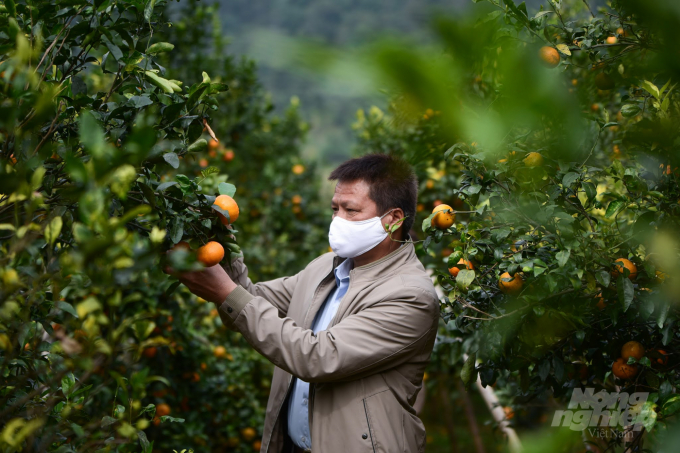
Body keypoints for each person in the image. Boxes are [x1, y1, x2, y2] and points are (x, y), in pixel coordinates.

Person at [168, 154, 439, 453]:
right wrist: (219, 241)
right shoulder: (326, 267)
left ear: (393, 219)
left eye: (351, 210)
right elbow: (250, 299)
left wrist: (223, 292)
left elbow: (317, 357)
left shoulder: (410, 296)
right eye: (335, 209)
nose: (338, 220)